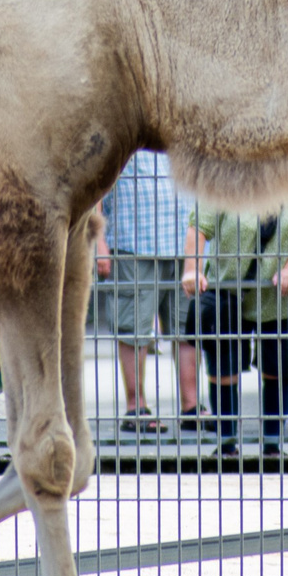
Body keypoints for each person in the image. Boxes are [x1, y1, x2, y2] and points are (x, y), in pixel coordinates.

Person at [181, 201, 288, 458]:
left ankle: (273, 445)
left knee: (277, 369)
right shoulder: (225, 173)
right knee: (223, 368)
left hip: (280, 295)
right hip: (229, 291)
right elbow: (198, 227)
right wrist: (192, 270)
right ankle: (227, 444)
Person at [92, 150, 204, 432]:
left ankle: (191, 406)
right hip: (134, 240)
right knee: (133, 329)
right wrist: (99, 243)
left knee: (187, 328)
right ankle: (136, 407)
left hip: (184, 242)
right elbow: (97, 186)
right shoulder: (124, 121)